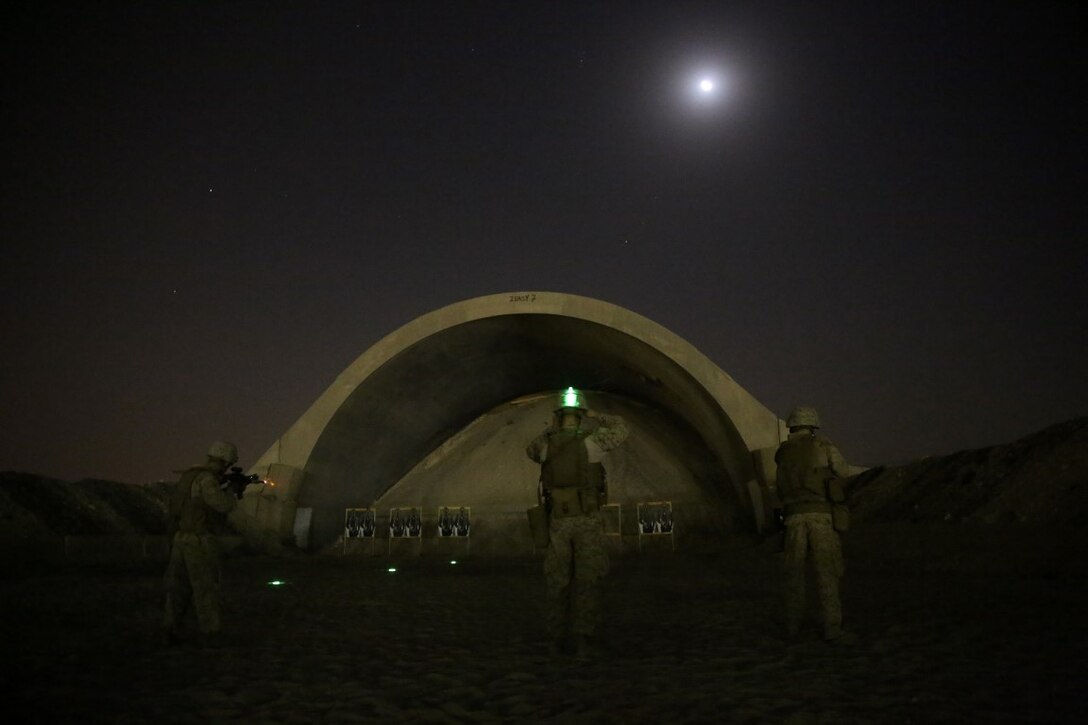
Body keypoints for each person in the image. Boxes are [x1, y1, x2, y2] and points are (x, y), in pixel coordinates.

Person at [526, 387, 629, 658]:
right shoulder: (592, 442)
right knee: (587, 579)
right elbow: (621, 428)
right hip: (587, 519)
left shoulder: (546, 446)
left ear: (558, 416)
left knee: (557, 580)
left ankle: (555, 640)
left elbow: (531, 450)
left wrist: (550, 429)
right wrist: (596, 415)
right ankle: (584, 640)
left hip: (558, 521)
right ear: (580, 415)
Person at [773, 406, 853, 643]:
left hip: (793, 518)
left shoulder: (783, 453)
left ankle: (793, 626)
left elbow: (779, 487)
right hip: (820, 516)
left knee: (794, 574)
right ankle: (832, 627)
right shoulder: (823, 446)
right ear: (813, 425)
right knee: (827, 572)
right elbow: (843, 471)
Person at [162, 440, 243, 647]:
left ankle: (171, 627)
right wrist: (231, 490)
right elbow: (222, 506)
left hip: (181, 537)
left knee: (178, 587)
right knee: (205, 587)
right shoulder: (207, 480)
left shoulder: (188, 477)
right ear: (224, 462)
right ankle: (211, 632)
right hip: (198, 540)